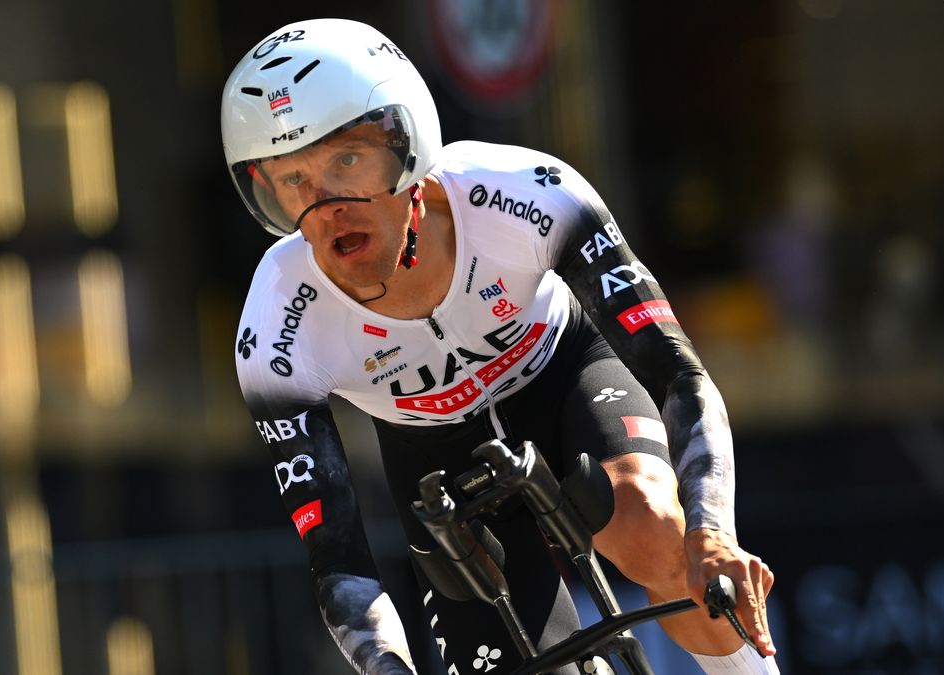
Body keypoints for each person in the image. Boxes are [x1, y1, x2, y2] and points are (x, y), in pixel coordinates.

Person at [224, 18, 777, 675]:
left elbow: (678, 374)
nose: (327, 205)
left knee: (654, 529)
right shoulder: (276, 328)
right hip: (434, 455)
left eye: (346, 160)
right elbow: (337, 557)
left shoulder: (525, 194)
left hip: (565, 375)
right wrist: (385, 666)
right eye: (293, 181)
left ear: (407, 144)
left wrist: (712, 532)